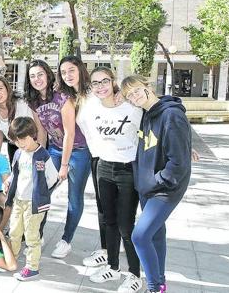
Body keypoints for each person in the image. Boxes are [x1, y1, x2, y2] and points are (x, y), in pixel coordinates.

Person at [122, 75, 192, 293]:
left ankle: (154, 287)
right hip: (147, 186)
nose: (134, 97)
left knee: (140, 236)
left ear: (147, 87)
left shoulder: (170, 115)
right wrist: (142, 180)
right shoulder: (147, 114)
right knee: (155, 234)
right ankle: (160, 282)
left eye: (136, 90)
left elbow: (178, 164)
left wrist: (155, 181)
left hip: (165, 188)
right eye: (129, 95)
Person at [77, 67, 143, 292]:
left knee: (126, 226)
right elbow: (82, 125)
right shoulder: (91, 108)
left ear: (113, 81)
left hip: (127, 171)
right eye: (95, 83)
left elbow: (155, 121)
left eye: (105, 81)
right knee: (109, 222)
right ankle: (113, 267)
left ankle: (135, 275)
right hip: (103, 167)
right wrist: (97, 151)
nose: (101, 86)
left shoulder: (132, 107)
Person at [24, 59, 90, 258]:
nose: (37, 79)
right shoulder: (34, 102)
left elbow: (70, 133)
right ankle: (39, 234)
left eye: (40, 74)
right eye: (33, 76)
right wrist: (40, 157)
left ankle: (66, 240)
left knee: (74, 196)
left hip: (78, 151)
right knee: (41, 190)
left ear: (49, 75)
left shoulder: (62, 97)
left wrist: (63, 165)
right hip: (54, 149)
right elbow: (42, 133)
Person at [4, 117, 58, 281]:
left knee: (31, 235)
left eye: (23, 140)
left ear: (33, 135)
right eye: (16, 141)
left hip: (34, 203)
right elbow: (15, 173)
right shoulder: (19, 153)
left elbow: (53, 178)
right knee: (14, 231)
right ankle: (11, 259)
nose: (20, 144)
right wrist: (8, 182)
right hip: (18, 200)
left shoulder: (42, 155)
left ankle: (32, 267)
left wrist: (40, 193)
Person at [0, 75, 46, 163]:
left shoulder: (23, 103)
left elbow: (40, 129)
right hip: (15, 147)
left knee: (37, 174)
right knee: (18, 175)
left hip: (35, 144)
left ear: (7, 88)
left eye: (0, 88)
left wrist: (40, 155)